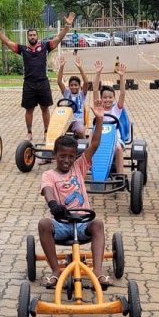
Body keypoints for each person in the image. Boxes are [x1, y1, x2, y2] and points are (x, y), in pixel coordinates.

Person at [38, 96, 110, 288]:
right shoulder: (49, 175)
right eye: (62, 156)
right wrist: (54, 206)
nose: (67, 160)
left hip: (83, 223)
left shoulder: (79, 167)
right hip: (62, 223)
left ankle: (98, 271)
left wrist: (100, 119)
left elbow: (94, 145)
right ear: (54, 156)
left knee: (98, 224)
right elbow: (47, 191)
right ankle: (55, 270)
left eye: (71, 156)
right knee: (44, 223)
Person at [0, 12, 75, 142]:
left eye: (34, 35)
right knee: (29, 110)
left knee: (45, 108)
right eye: (30, 35)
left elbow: (58, 38)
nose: (32, 36)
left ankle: (47, 131)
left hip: (43, 82)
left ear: (37, 36)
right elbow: (6, 42)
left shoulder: (45, 46)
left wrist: (67, 26)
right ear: (27, 37)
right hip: (29, 84)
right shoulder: (22, 49)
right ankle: (29, 132)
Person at [97, 63, 127, 175]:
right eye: (105, 97)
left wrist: (121, 77)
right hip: (100, 137)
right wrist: (98, 74)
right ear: (101, 98)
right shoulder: (99, 108)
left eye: (110, 97)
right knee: (89, 146)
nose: (107, 100)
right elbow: (95, 90)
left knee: (118, 149)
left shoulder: (116, 109)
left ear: (114, 98)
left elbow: (122, 94)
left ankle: (120, 175)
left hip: (115, 137)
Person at [55, 54, 92, 139]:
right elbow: (59, 81)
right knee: (56, 129)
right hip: (65, 120)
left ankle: (83, 146)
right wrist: (61, 67)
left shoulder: (82, 95)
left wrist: (80, 67)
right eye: (71, 85)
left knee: (81, 130)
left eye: (76, 85)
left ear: (79, 86)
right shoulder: (67, 93)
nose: (73, 87)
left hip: (77, 121)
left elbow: (86, 82)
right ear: (69, 86)